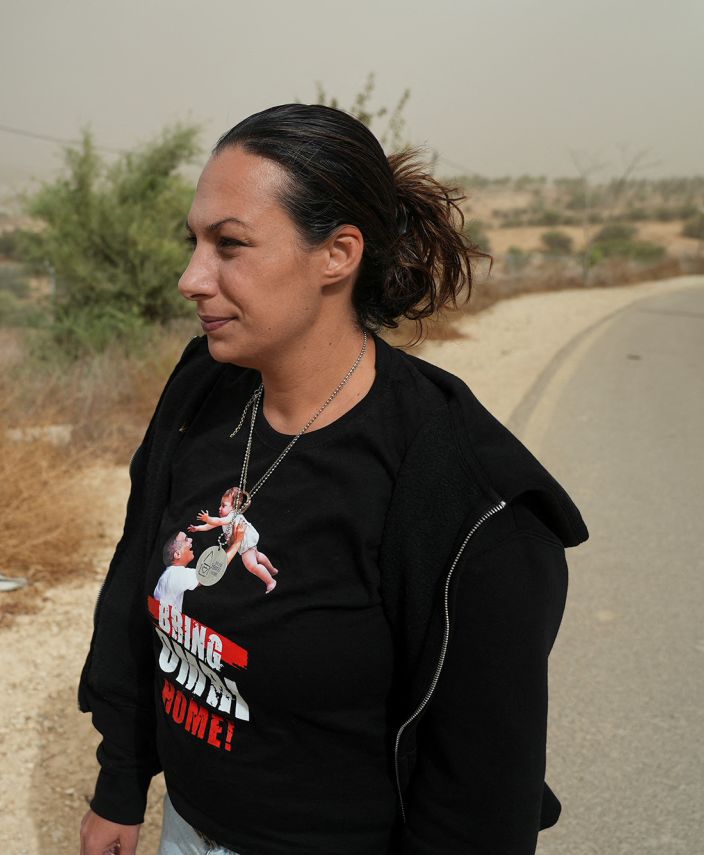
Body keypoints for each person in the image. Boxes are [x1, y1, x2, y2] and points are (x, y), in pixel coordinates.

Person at [77, 103, 588, 855]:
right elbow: (132, 584)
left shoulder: (468, 501)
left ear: (338, 254)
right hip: (185, 828)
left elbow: (480, 793)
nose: (192, 278)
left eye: (231, 246)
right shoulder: (202, 392)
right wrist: (121, 780)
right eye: (194, 242)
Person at [187, 486, 280, 593]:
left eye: (223, 505)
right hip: (248, 543)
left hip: (245, 544)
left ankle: (270, 581)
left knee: (251, 565)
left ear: (234, 507)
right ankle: (272, 570)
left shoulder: (232, 515)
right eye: (220, 505)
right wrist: (197, 528)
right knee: (257, 555)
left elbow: (216, 522)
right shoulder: (226, 518)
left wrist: (208, 518)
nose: (220, 508)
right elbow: (210, 526)